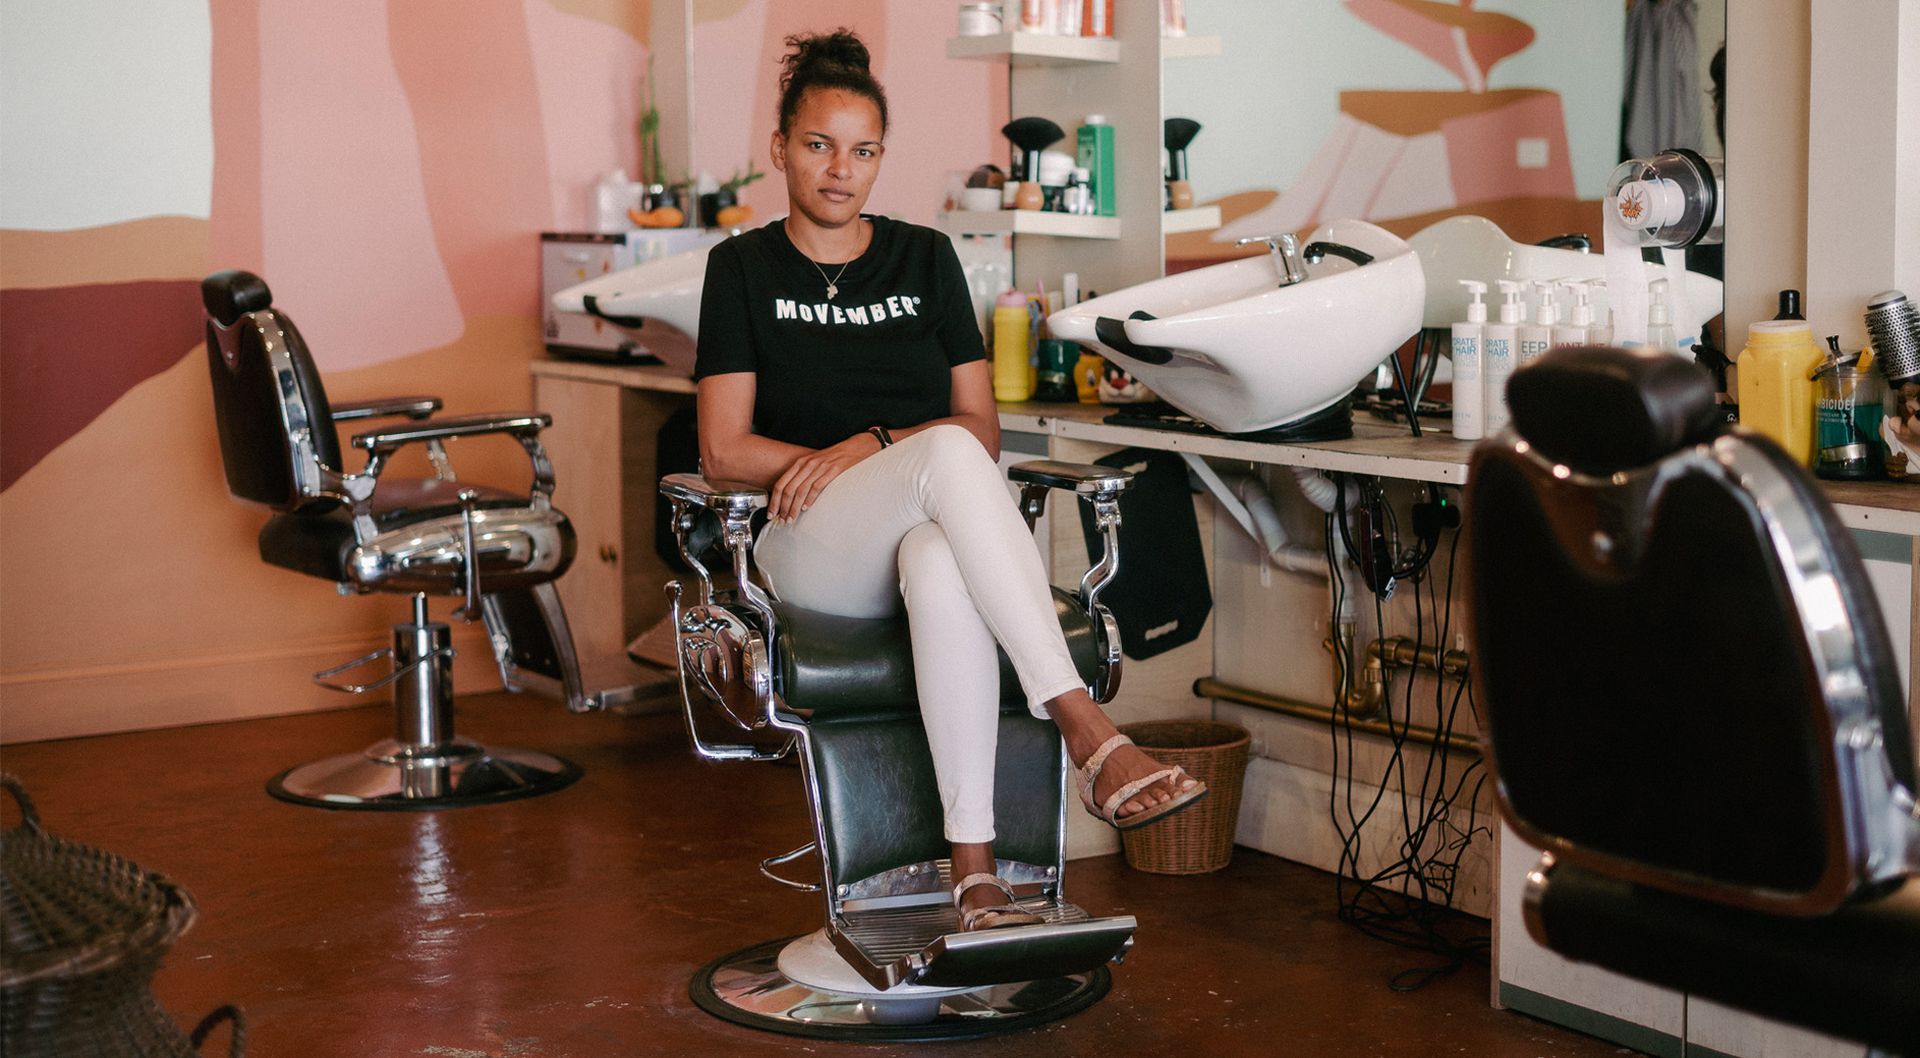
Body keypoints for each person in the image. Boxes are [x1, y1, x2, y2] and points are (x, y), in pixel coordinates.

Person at [693, 28, 1207, 933]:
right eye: (817, 145)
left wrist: (873, 445)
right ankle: (1087, 730)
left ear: (881, 158)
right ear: (780, 149)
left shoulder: (925, 258)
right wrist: (873, 457)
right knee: (941, 461)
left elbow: (982, 425)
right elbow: (725, 452)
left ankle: (974, 872)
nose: (839, 170)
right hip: (807, 545)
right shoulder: (740, 269)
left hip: (915, 528)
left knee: (938, 554)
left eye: (862, 150)